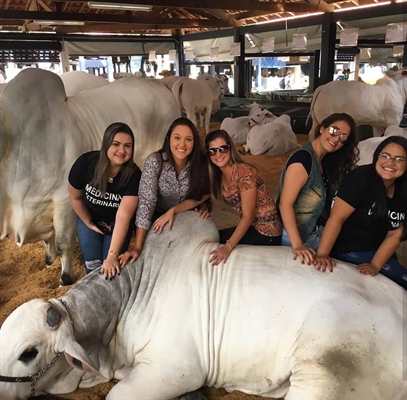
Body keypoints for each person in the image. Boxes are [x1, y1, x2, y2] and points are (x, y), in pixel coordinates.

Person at [314, 136, 407, 289]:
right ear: (376, 156)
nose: (390, 163)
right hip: (350, 249)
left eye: (399, 159)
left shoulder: (403, 188)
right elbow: (337, 218)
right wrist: (323, 254)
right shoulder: (361, 179)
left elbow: (395, 233)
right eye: (385, 156)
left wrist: (375, 265)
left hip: (378, 250)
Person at [119, 117, 210, 266]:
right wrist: (138, 246)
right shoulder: (155, 161)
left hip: (184, 214)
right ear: (168, 139)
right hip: (156, 217)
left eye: (188, 139)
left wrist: (199, 207)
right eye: (177, 138)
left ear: (194, 143)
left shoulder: (200, 164)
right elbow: (146, 203)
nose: (182, 144)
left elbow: (204, 193)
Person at [278, 113, 358, 265]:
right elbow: (285, 204)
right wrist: (297, 245)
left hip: (312, 232)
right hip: (295, 236)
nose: (336, 139)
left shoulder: (323, 160)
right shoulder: (303, 160)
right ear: (322, 128)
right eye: (334, 131)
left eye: (343, 138)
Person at [68, 122, 141, 279]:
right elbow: (75, 197)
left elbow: (123, 217)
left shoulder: (134, 175)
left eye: (127, 146)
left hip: (118, 223)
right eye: (116, 144)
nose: (122, 150)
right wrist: (88, 223)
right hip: (90, 217)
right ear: (106, 143)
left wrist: (112, 255)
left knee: (112, 270)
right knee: (93, 267)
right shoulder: (85, 163)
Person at [205, 129, 282, 266]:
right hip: (252, 227)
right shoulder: (219, 177)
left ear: (230, 149)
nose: (218, 154)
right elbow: (200, 197)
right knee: (212, 236)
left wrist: (228, 247)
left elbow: (248, 215)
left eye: (222, 149)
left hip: (266, 232)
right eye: (213, 151)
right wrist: (201, 208)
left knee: (217, 242)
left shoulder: (245, 172)